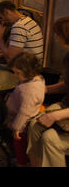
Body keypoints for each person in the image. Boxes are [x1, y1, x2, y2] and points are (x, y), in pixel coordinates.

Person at [27, 17, 69, 167]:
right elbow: (66, 85)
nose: (55, 37)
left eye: (57, 34)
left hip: (65, 111)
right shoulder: (68, 57)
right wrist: (43, 89)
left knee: (49, 138)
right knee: (33, 124)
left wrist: (55, 115)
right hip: (66, 106)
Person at [4, 52, 45, 167]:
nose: (15, 75)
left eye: (18, 73)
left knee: (19, 145)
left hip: (22, 124)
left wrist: (16, 128)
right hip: (28, 116)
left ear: (29, 72)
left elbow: (24, 112)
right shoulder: (38, 79)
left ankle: (20, 163)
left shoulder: (29, 90)